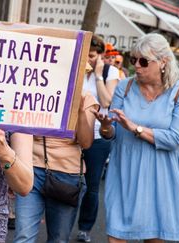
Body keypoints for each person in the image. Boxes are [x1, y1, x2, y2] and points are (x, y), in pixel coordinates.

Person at [94, 33, 179, 242]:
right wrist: (105, 127)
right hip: (124, 169)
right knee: (116, 235)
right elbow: (111, 133)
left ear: (163, 62)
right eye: (133, 60)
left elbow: (174, 138)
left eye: (143, 61)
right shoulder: (125, 86)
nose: (137, 66)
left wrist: (135, 128)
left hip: (161, 173)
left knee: (153, 238)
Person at [14, 94, 99, 243]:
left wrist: (79, 111)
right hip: (31, 169)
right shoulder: (33, 91)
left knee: (58, 239)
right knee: (24, 236)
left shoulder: (85, 97)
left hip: (67, 176)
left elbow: (86, 143)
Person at [76, 35, 119, 243]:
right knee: (68, 180)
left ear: (101, 56)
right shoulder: (77, 68)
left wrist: (99, 75)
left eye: (92, 56)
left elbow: (106, 101)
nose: (89, 59)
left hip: (98, 136)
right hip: (74, 135)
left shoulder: (111, 72)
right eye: (86, 54)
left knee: (92, 184)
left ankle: (85, 227)